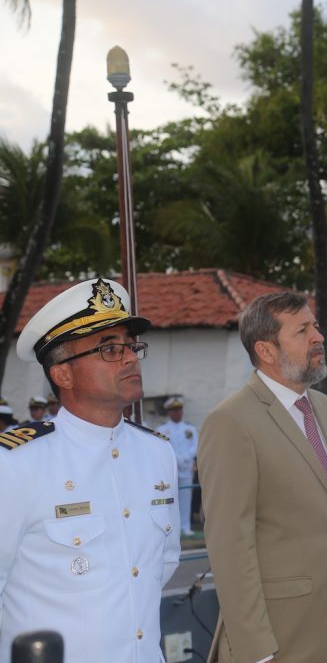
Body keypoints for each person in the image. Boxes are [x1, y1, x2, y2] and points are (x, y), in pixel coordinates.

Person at [198, 291, 327, 663]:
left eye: (314, 326)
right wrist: (257, 653)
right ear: (266, 351)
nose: (319, 337)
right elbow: (230, 549)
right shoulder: (231, 422)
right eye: (302, 331)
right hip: (277, 642)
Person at [0, 277, 180, 661]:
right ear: (62, 374)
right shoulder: (15, 463)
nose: (130, 358)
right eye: (110, 349)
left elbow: (162, 565)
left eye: (131, 346)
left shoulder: (157, 453)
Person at [158, 396, 199, 536]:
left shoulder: (190, 429)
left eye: (179, 410)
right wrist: (177, 459)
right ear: (169, 412)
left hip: (186, 468)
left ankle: (186, 526)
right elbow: (163, 447)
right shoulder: (162, 429)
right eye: (174, 410)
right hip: (171, 468)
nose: (177, 413)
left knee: (186, 498)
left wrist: (185, 458)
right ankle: (173, 527)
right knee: (171, 498)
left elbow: (195, 446)